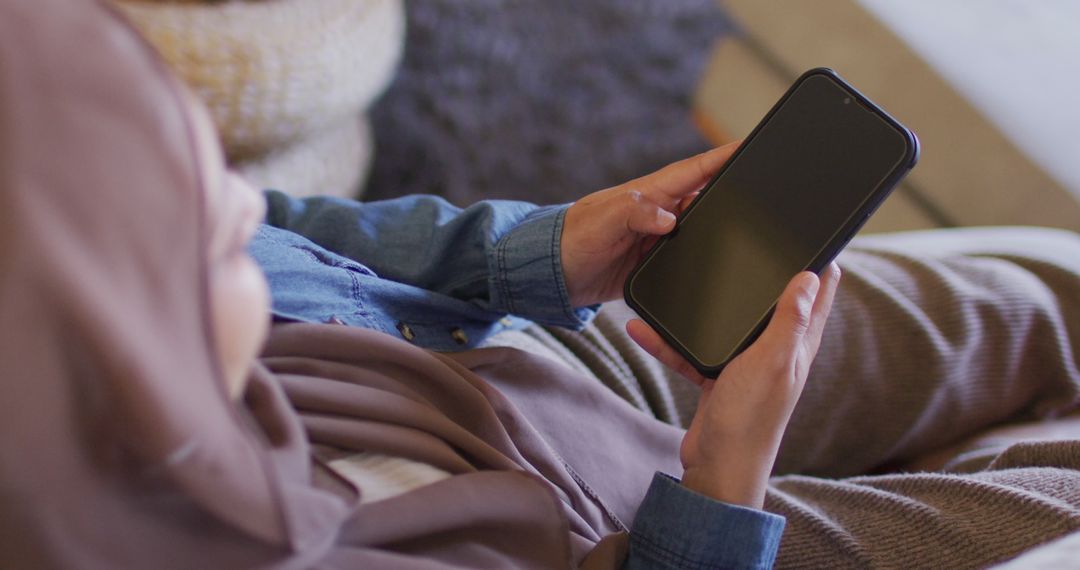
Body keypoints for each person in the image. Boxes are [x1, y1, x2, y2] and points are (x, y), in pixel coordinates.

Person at [3, 2, 1080, 569]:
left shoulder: (114, 281)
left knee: (1039, 296)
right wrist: (722, 493)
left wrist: (537, 254)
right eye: (197, 230)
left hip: (516, 368)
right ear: (111, 371)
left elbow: (302, 234)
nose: (249, 209)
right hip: (649, 537)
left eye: (217, 171)